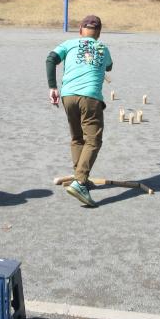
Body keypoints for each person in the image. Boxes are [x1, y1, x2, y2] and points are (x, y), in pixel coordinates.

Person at [46, 15, 113, 207]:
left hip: (68, 96)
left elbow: (50, 59)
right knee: (93, 140)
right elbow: (109, 66)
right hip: (91, 97)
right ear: (98, 33)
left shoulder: (69, 43)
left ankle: (79, 177)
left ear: (80, 30)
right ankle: (81, 182)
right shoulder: (103, 48)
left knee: (77, 138)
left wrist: (52, 87)